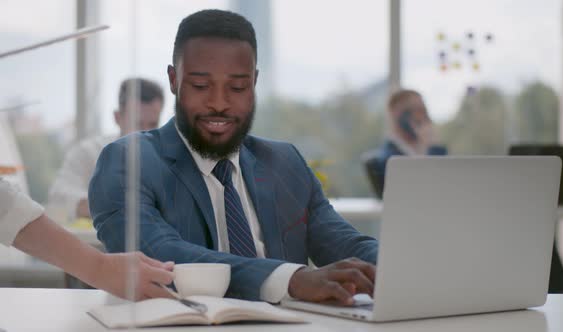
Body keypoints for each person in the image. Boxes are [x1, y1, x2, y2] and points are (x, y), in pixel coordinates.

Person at [89, 9, 378, 305]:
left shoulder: (283, 162)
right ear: (174, 80)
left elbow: (343, 243)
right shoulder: (128, 161)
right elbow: (160, 254)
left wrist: (399, 269)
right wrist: (291, 280)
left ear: (253, 83)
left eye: (237, 87)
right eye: (201, 86)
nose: (218, 103)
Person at [0, 177, 174, 300]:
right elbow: (10, 208)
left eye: (151, 123)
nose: (143, 129)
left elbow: (9, 208)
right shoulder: (92, 151)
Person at [47, 78, 164, 221]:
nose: (146, 132)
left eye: (153, 124)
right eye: (138, 124)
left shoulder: (168, 158)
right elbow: (58, 197)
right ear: (117, 117)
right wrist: (110, 205)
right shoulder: (88, 152)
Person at [363, 89, 447, 198]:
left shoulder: (430, 149)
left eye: (423, 109)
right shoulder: (385, 159)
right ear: (396, 114)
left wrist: (433, 147)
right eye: (414, 109)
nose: (421, 116)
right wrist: (433, 149)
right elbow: (423, 190)